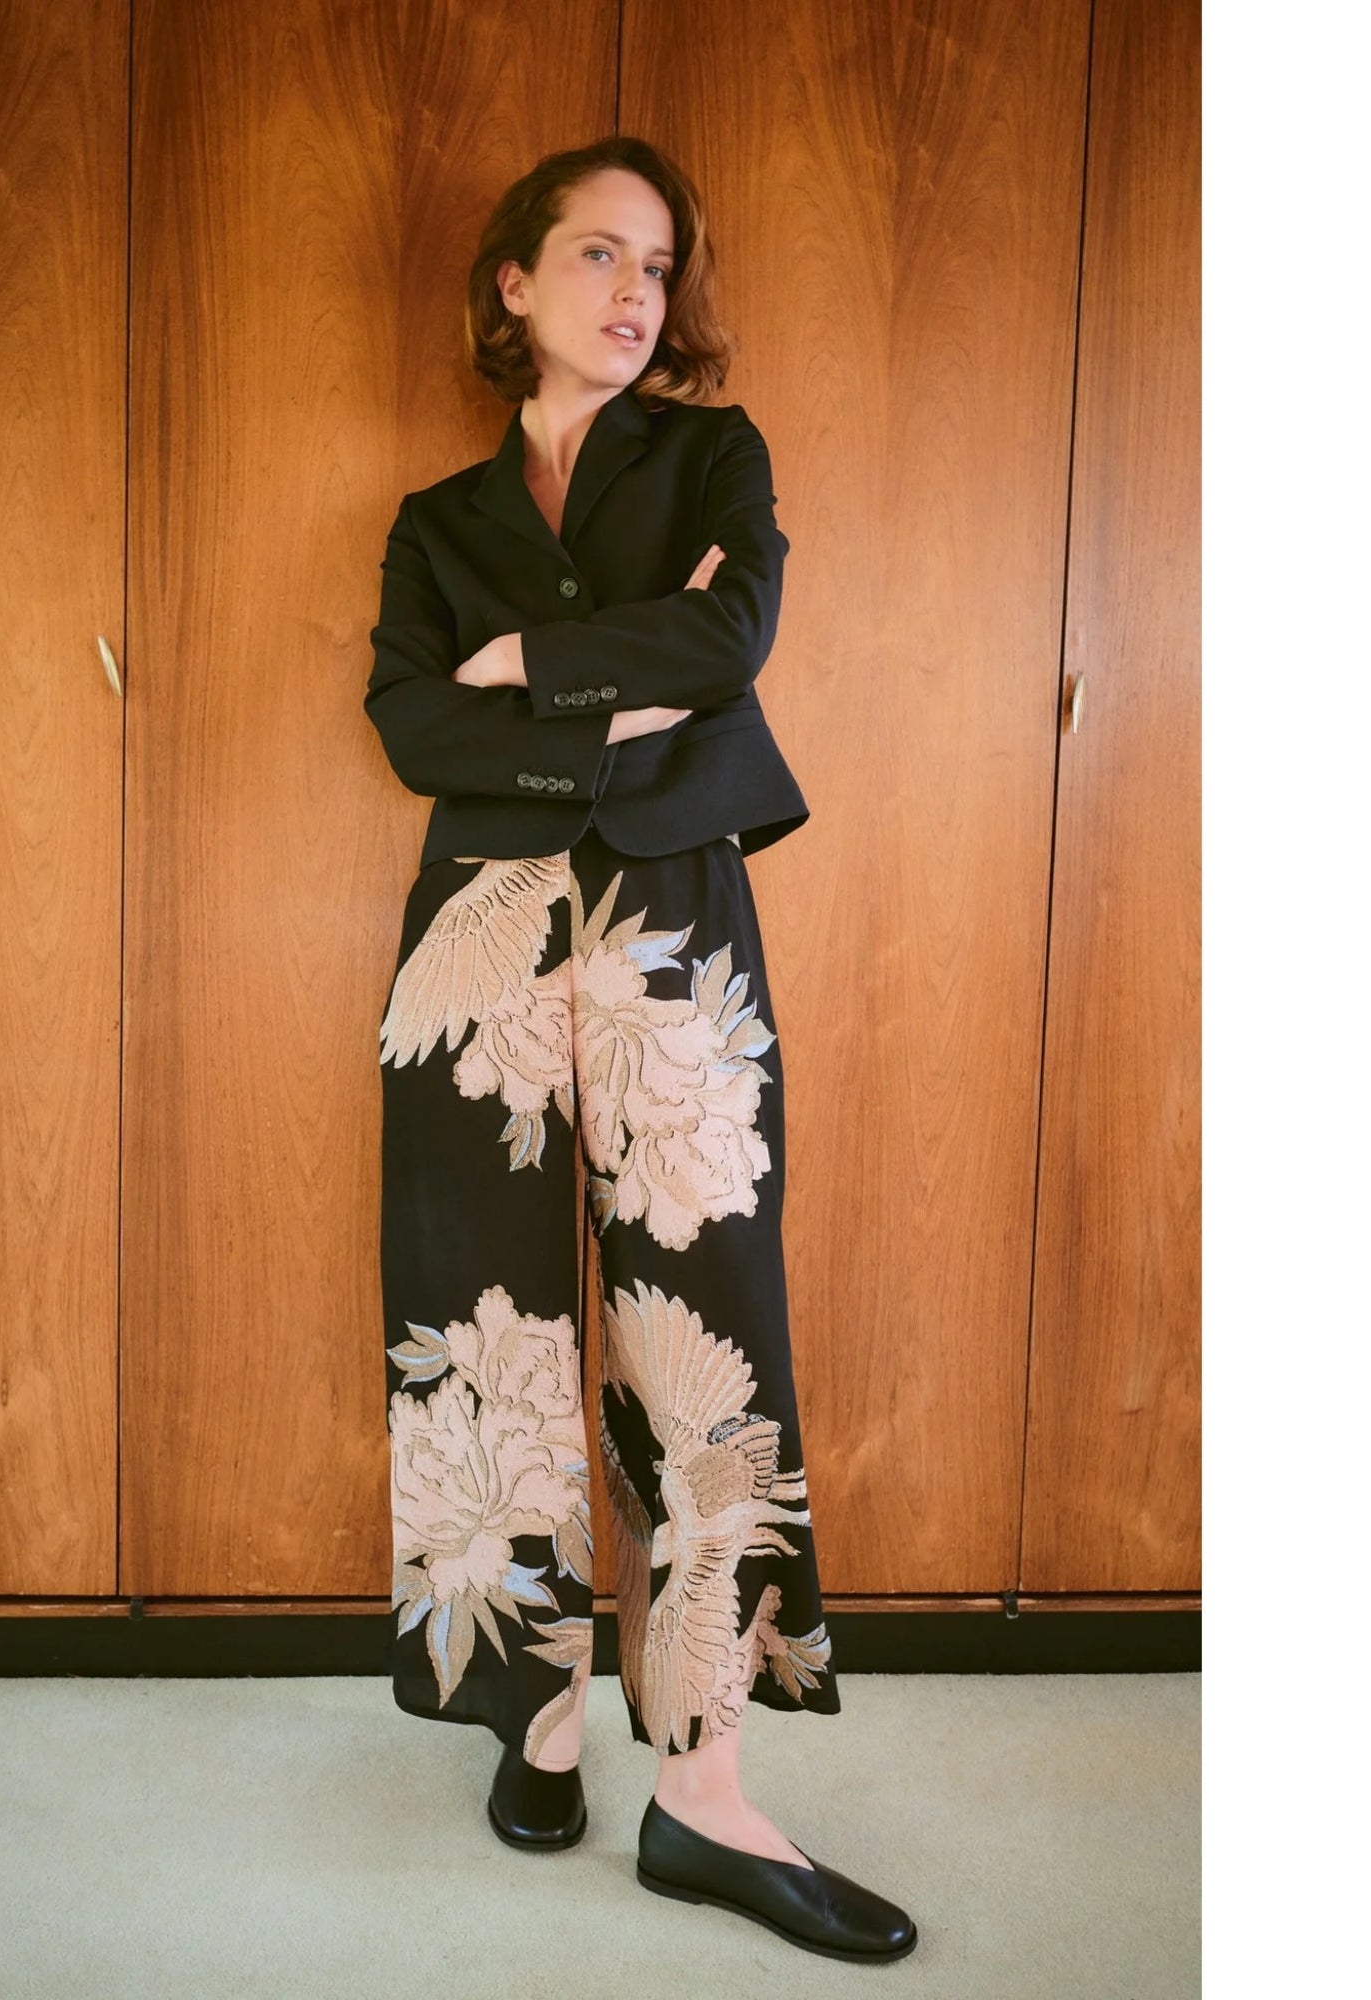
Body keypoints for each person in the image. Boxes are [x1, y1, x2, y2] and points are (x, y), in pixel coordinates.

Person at [363, 135, 918, 1966]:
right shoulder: (438, 521)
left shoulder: (712, 455)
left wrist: (526, 667)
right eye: (597, 254)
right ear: (514, 283)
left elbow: (731, 633)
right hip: (478, 940)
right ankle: (529, 1716)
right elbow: (410, 727)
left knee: (705, 1331)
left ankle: (706, 1790)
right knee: (490, 1335)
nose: (634, 292)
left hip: (674, 921)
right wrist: (618, 688)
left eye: (658, 266)